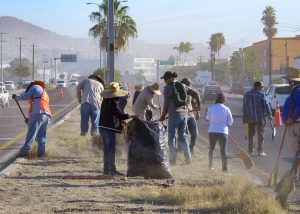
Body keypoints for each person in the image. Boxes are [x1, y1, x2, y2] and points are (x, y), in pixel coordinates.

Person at [159, 71, 200, 165]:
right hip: (184, 115)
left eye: (165, 79)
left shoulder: (167, 88)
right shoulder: (183, 86)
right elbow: (196, 94)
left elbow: (165, 105)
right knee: (183, 138)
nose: (164, 81)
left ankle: (173, 161)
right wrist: (199, 107)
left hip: (174, 116)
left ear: (170, 78)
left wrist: (162, 116)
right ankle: (188, 160)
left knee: (171, 138)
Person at [99, 82, 133, 176]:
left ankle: (106, 170)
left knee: (107, 150)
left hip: (103, 127)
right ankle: (112, 170)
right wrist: (130, 116)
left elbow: (114, 115)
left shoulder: (106, 100)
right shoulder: (113, 102)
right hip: (108, 128)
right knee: (111, 150)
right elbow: (119, 115)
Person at [12, 81, 51, 157]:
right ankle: (41, 153)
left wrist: (17, 97)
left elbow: (26, 96)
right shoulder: (43, 93)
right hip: (46, 115)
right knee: (41, 135)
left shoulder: (35, 86)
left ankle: (24, 152)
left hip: (38, 114)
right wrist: (30, 119)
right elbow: (38, 106)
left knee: (31, 133)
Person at [243, 81, 272, 156]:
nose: (262, 89)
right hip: (260, 118)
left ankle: (250, 151)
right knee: (261, 134)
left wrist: (245, 118)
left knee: (251, 134)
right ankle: (260, 151)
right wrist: (269, 115)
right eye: (261, 87)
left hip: (250, 118)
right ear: (257, 86)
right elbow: (266, 105)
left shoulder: (246, 95)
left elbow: (244, 107)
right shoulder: (261, 95)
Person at [206, 92, 233, 172]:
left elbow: (207, 118)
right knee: (223, 151)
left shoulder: (211, 108)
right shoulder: (227, 109)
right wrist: (226, 126)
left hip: (212, 131)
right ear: (224, 100)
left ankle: (210, 166)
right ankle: (224, 169)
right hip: (223, 132)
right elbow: (230, 122)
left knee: (212, 149)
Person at [281, 68, 300, 183]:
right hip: (295, 124)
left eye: (288, 80)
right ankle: (294, 174)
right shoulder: (296, 90)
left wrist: (292, 119)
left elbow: (299, 107)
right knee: (297, 151)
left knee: (296, 151)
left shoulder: (297, 91)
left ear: (292, 81)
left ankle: (294, 175)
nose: (287, 82)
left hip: (296, 125)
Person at [180, 78, 201, 154]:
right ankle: (180, 150)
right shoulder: (178, 92)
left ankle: (191, 148)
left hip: (190, 115)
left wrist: (198, 113)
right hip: (181, 115)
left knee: (194, 134)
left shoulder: (191, 92)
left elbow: (194, 103)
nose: (187, 86)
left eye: (188, 85)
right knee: (182, 134)